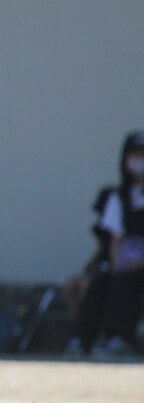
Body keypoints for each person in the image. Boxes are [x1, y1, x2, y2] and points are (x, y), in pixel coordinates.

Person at [93, 129, 144, 359]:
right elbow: (115, 239)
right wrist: (117, 266)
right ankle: (95, 339)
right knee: (106, 277)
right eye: (135, 156)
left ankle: (123, 338)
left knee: (131, 278)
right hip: (126, 265)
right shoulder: (119, 196)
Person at [61, 185, 116, 357]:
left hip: (114, 273)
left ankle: (92, 333)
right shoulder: (102, 229)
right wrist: (90, 265)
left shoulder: (125, 225)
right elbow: (100, 251)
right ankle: (80, 328)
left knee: (89, 286)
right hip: (100, 268)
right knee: (70, 285)